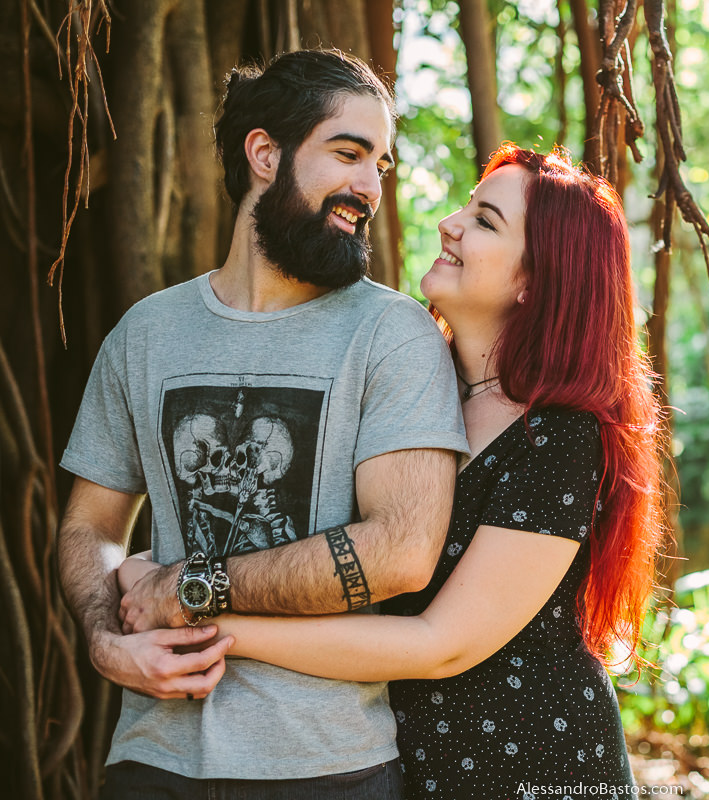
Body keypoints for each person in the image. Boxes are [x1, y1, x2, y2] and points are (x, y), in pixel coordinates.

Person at [121, 142, 669, 798]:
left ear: (537, 280)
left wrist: (205, 615)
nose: (450, 222)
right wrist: (156, 568)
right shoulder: (409, 389)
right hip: (408, 765)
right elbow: (311, 547)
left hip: (537, 766)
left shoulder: (558, 435)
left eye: (485, 220)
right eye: (466, 205)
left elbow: (443, 643)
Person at [57, 48, 467, 798]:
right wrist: (104, 639)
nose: (370, 187)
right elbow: (91, 524)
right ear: (265, 154)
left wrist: (195, 586)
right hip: (151, 758)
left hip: (330, 766)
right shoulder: (145, 333)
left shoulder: (392, 333)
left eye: (382, 164)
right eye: (349, 154)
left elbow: (402, 550)